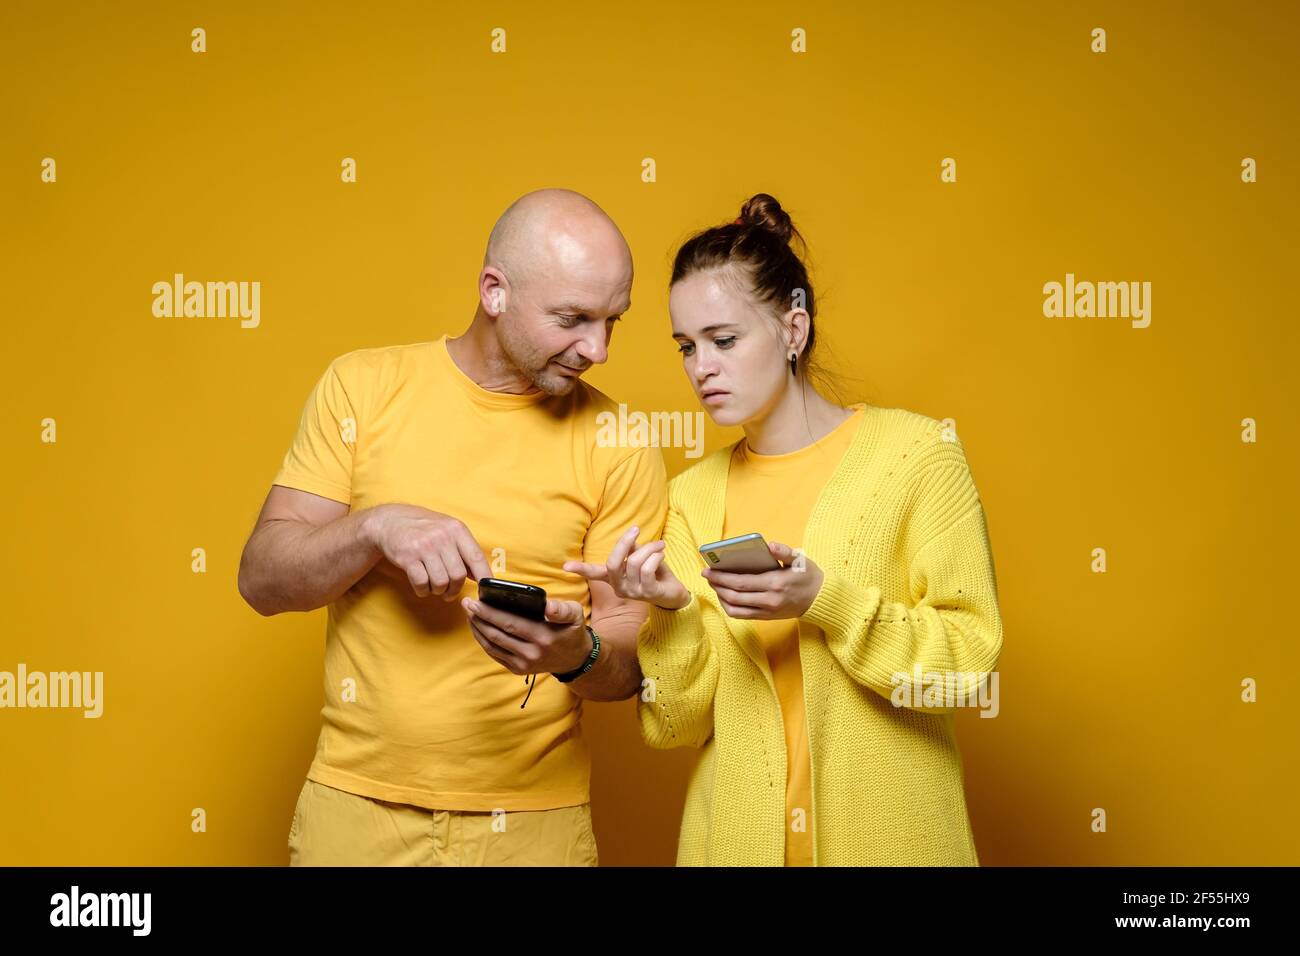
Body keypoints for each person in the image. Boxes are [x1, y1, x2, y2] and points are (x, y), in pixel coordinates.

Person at [566, 193, 1003, 866]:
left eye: (724, 339)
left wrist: (823, 601)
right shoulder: (691, 498)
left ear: (793, 329)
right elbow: (677, 725)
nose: (700, 367)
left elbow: (967, 669)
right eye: (686, 346)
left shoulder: (917, 456)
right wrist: (670, 610)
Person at [238, 188, 667, 866]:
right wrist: (371, 529)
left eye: (614, 320)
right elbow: (261, 580)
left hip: (536, 829)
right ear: (494, 292)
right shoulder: (362, 388)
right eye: (574, 318)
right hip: (356, 813)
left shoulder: (621, 440)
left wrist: (573, 655)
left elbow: (633, 657)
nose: (599, 349)